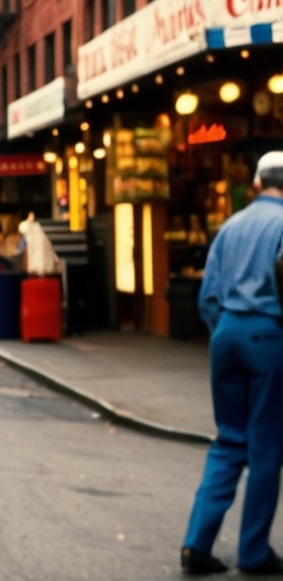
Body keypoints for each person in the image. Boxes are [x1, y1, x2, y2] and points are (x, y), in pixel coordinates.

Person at [180, 152, 283, 576]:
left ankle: (196, 545)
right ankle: (254, 552)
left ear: (257, 183)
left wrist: (224, 327)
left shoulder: (231, 225)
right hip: (269, 336)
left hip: (227, 335)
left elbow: (208, 294)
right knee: (265, 447)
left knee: (228, 441)